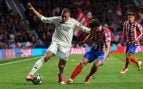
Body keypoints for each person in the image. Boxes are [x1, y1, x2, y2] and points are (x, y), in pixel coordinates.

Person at [25, 3, 90, 84]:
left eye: (65, 16)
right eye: (62, 16)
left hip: (66, 46)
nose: (63, 18)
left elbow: (84, 29)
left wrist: (94, 30)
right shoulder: (57, 19)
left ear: (69, 16)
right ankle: (31, 74)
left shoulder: (73, 22)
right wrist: (33, 9)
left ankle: (60, 75)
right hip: (55, 43)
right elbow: (43, 19)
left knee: (61, 66)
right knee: (46, 56)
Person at [66, 19, 112, 84]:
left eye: (91, 28)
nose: (90, 29)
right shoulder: (94, 30)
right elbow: (90, 36)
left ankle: (88, 76)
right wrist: (83, 42)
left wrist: (104, 58)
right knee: (82, 62)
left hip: (102, 53)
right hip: (93, 50)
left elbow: (108, 47)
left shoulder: (106, 32)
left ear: (96, 28)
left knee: (96, 65)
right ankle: (71, 79)